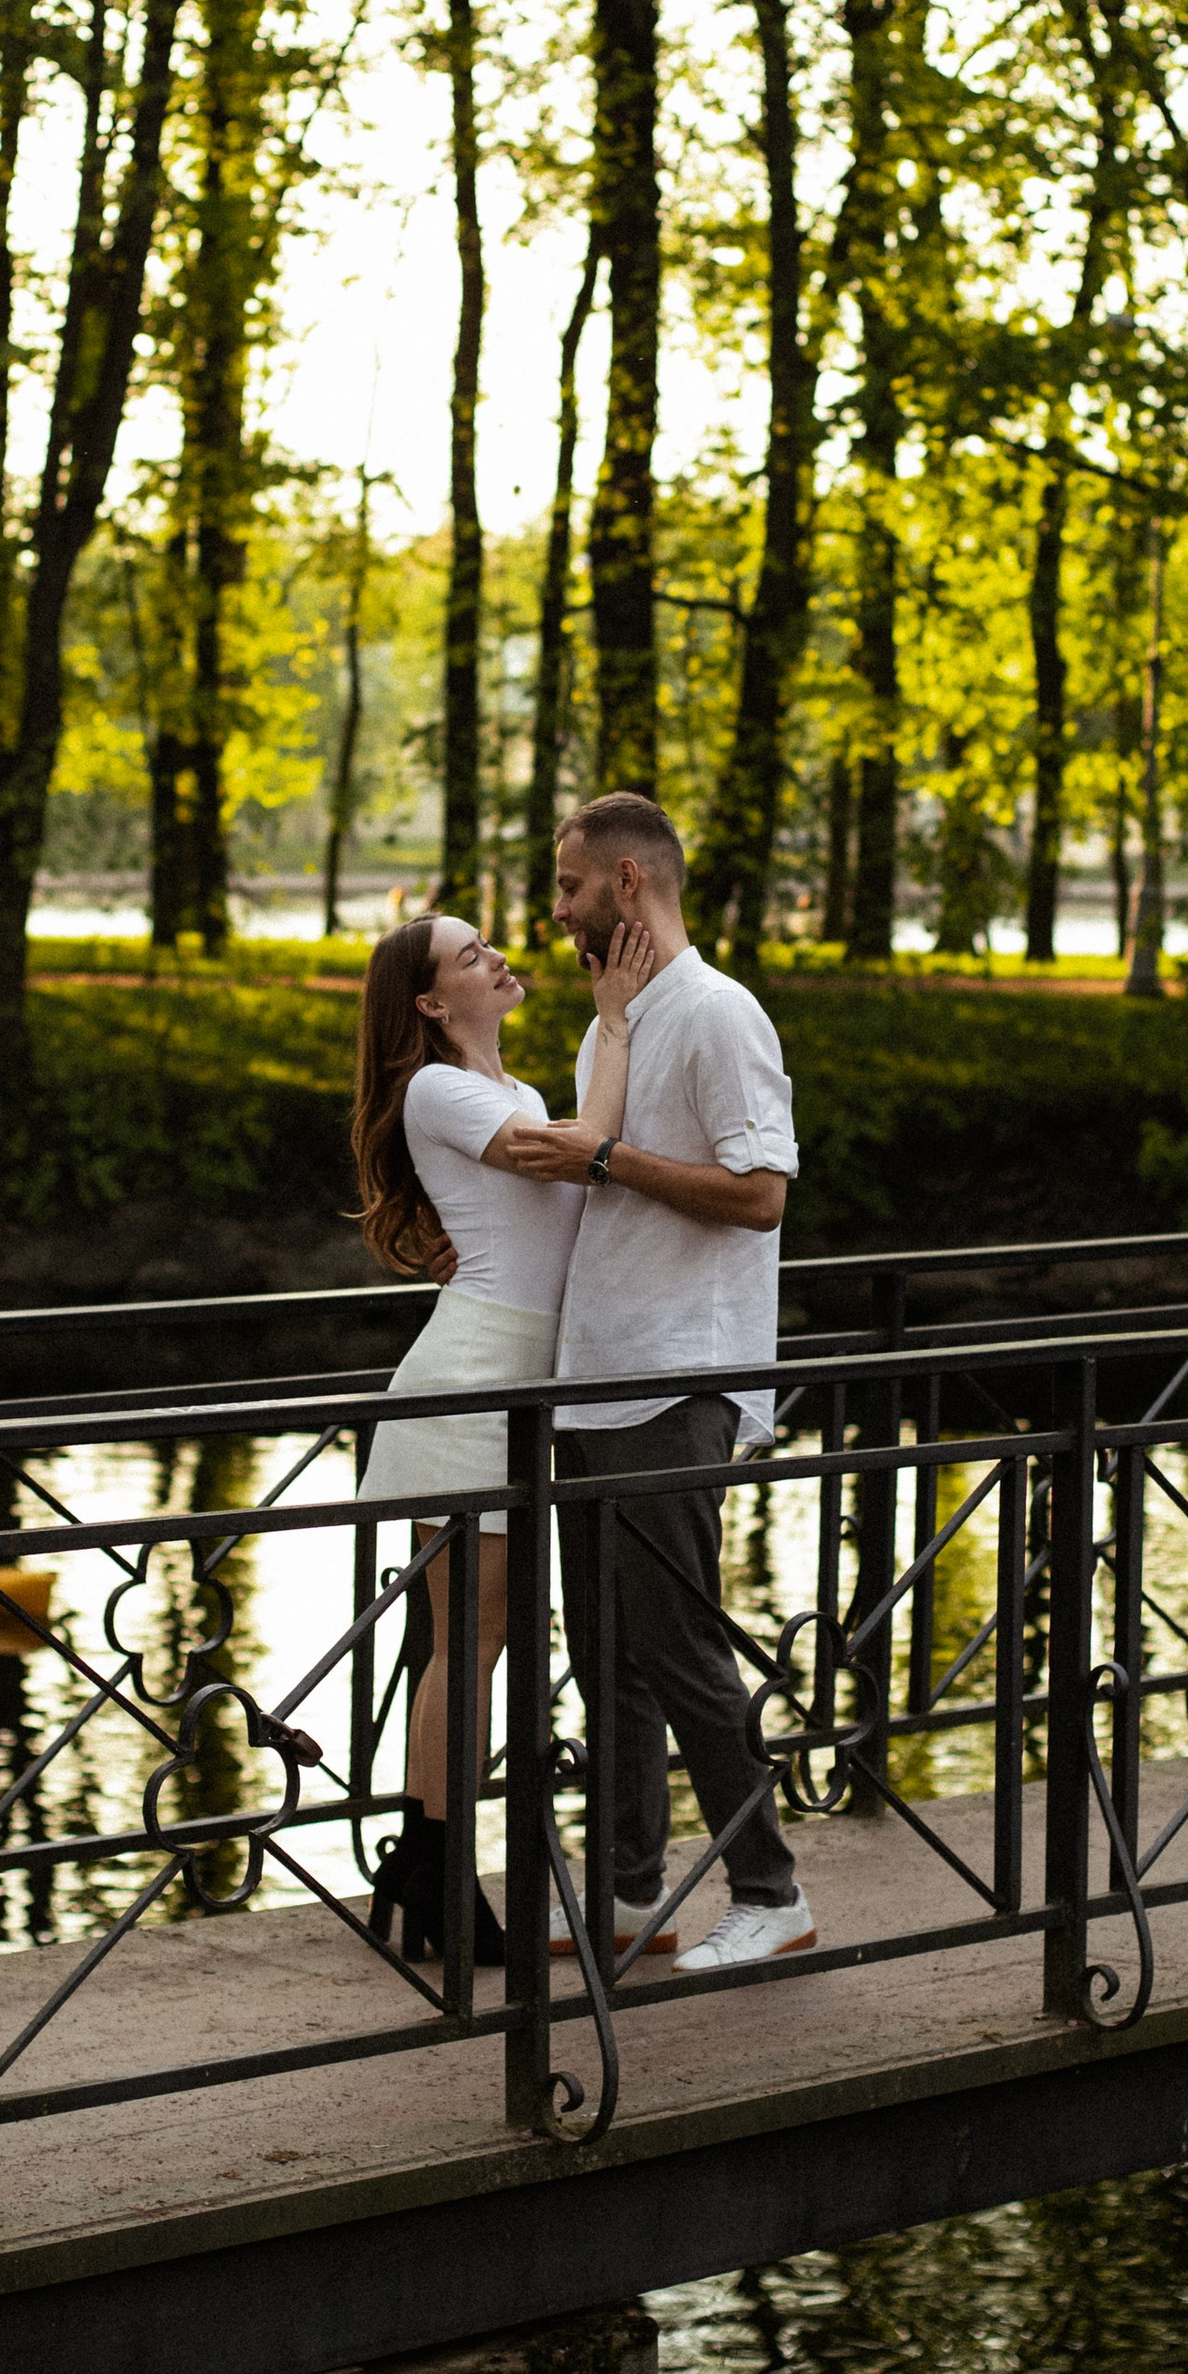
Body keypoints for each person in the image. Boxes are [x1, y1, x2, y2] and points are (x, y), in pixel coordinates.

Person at [502, 790, 814, 1977]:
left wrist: (603, 1156)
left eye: (569, 884)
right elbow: (602, 1175)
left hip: (678, 1379)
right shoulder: (616, 1022)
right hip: (595, 1379)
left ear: (627, 881)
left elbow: (761, 1194)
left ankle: (772, 1893)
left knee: (679, 1648)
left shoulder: (719, 1013)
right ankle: (631, 1895)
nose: (557, 908)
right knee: (607, 1659)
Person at [351, 905, 652, 1962]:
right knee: (467, 1647)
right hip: (471, 1382)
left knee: (481, 1644)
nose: (498, 956)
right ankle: (438, 1878)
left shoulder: (507, 1090)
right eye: (471, 954)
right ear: (433, 1003)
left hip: (518, 1382)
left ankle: (423, 1870)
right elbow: (583, 1159)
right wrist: (615, 1020)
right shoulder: (438, 1088)